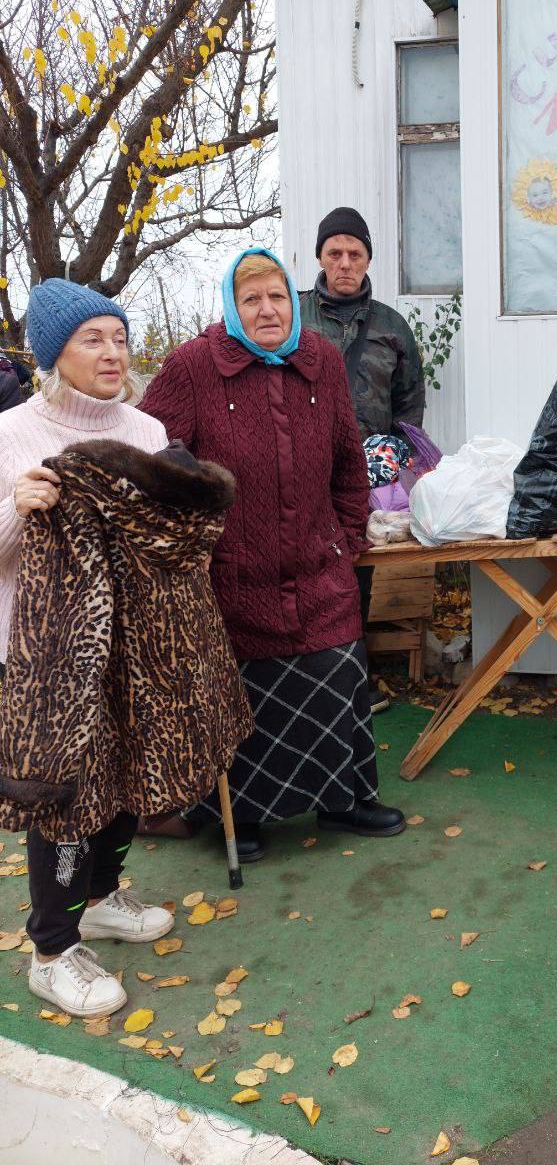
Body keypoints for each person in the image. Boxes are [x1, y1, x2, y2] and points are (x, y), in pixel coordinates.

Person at [141, 247, 405, 863]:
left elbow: (347, 454)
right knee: (247, 694)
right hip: (236, 570)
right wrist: (188, 535)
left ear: (293, 298)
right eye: (251, 300)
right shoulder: (194, 365)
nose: (267, 310)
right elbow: (150, 447)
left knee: (338, 678)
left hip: (319, 562)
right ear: (232, 308)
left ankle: (346, 799)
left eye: (277, 296)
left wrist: (348, 536)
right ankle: (247, 816)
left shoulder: (319, 361)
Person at [0, 280, 175, 1017]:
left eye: (119, 337)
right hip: (43, 658)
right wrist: (17, 509)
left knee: (127, 775)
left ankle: (102, 899)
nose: (112, 353)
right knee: (64, 797)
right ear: (54, 355)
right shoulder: (11, 435)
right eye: (91, 340)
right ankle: (51, 948)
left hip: (130, 645)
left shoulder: (148, 433)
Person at [298, 207, 426, 714]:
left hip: (367, 473)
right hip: (303, 465)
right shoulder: (294, 316)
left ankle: (356, 682)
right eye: (335, 253)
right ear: (320, 258)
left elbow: (410, 403)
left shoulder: (392, 326)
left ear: (369, 258)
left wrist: (400, 463)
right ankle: (305, 681)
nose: (345, 262)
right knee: (306, 566)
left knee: (360, 569)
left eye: (355, 253)